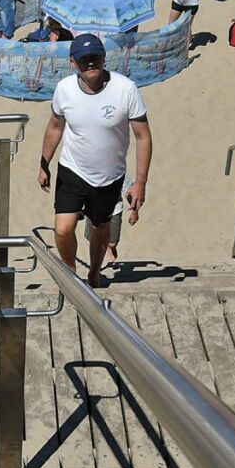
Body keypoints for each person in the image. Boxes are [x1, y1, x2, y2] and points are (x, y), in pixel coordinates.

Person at [39, 33, 151, 287]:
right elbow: (55, 126)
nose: (90, 63)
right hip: (72, 169)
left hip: (110, 176)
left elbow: (143, 136)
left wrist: (140, 182)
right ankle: (70, 274)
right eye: (84, 59)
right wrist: (44, 164)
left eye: (96, 58)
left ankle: (93, 274)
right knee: (63, 229)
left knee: (101, 229)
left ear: (104, 58)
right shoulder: (64, 89)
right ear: (73, 62)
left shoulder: (125, 89)